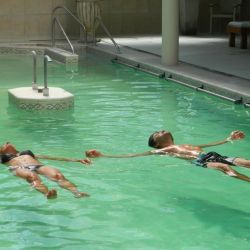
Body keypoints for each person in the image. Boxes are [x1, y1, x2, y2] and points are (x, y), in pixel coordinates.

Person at [85, 130, 250, 183]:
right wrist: (104, 155)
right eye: (157, 134)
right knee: (224, 168)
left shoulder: (184, 145)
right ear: (158, 144)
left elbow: (208, 145)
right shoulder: (164, 150)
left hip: (211, 154)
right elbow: (133, 155)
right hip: (199, 161)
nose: (161, 131)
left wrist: (228, 139)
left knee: (246, 162)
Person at [0, 142, 91, 199]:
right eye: (3, 144)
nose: (7, 142)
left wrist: (77, 160)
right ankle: (47, 194)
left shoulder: (25, 153)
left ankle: (77, 193)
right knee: (32, 177)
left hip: (37, 165)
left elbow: (50, 158)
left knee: (57, 175)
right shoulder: (2, 158)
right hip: (18, 168)